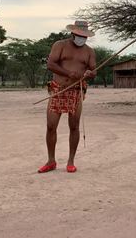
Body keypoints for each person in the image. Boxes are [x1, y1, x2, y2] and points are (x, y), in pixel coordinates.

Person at [37, 21, 96, 174]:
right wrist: (68, 73)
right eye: (79, 35)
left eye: (84, 36)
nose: (81, 38)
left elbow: (93, 70)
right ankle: (51, 161)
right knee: (51, 126)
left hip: (76, 91)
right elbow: (50, 64)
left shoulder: (89, 51)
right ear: (73, 33)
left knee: (74, 126)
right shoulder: (60, 45)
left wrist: (90, 74)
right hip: (58, 89)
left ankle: (71, 161)